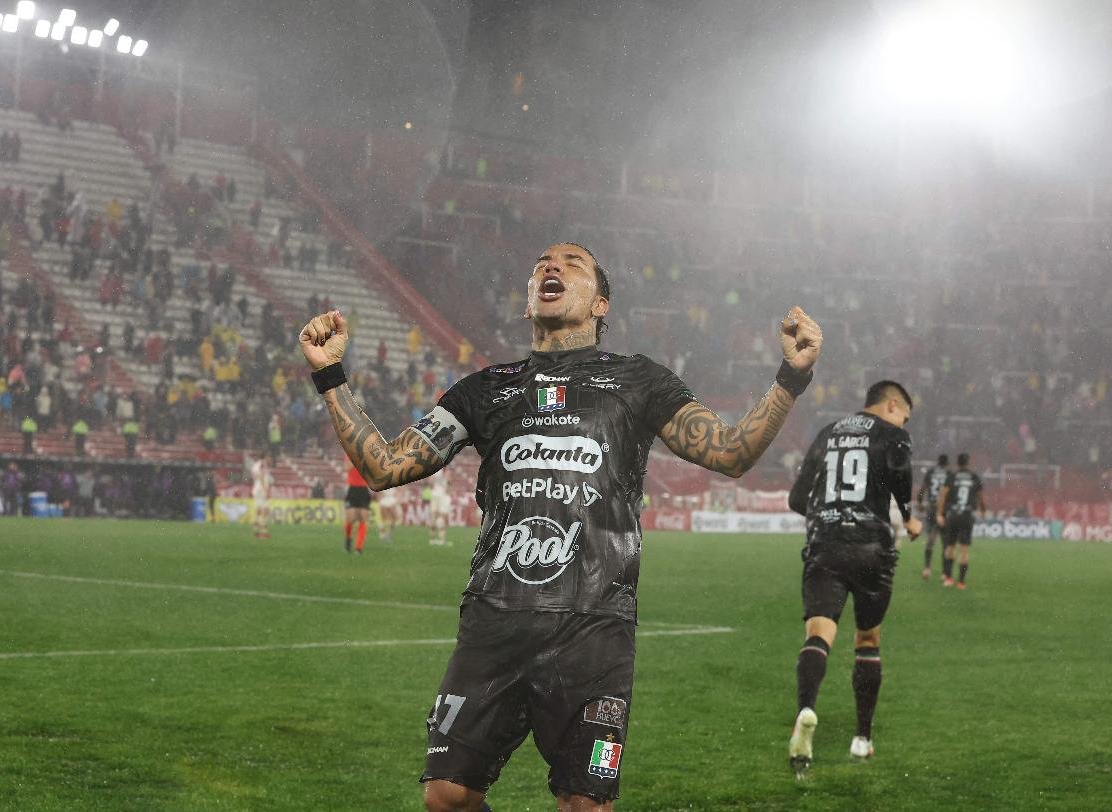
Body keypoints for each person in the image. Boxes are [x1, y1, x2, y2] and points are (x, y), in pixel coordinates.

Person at [299, 242, 822, 811]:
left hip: (594, 629)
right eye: (542, 264)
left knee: (586, 806)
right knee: (446, 797)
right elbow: (383, 467)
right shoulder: (484, 389)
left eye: (572, 264)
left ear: (600, 304)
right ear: (527, 303)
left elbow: (729, 452)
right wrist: (330, 375)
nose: (552, 267)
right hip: (495, 621)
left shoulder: (638, 380)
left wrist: (790, 378)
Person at [785, 380, 921, 775]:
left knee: (819, 633)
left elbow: (797, 499)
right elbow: (900, 476)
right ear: (893, 405)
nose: (905, 422)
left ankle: (806, 710)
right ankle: (862, 738)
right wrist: (909, 516)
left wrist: (827, 517)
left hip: (826, 544)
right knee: (867, 640)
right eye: (905, 416)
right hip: (872, 549)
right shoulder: (894, 435)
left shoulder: (828, 432)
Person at [936, 452, 986, 590]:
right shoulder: (974, 477)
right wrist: (983, 511)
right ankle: (961, 582)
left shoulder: (951, 476)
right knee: (964, 550)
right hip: (967, 515)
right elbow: (980, 497)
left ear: (957, 463)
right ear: (968, 462)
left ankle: (948, 578)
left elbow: (943, 495)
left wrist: (940, 514)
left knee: (949, 547)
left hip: (952, 515)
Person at [915, 453, 950, 580]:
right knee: (946, 542)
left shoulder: (931, 472)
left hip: (931, 508)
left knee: (930, 539)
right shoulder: (949, 473)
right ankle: (945, 573)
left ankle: (927, 569)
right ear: (947, 463)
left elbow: (922, 489)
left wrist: (919, 502)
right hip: (945, 510)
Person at [344, 458, 371, 554]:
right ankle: (348, 539)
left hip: (364, 489)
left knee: (363, 518)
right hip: (352, 488)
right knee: (350, 518)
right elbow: (347, 468)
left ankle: (358, 548)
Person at [250, 453, 273, 540]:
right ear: (265, 456)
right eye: (269, 457)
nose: (270, 459)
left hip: (256, 489)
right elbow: (261, 476)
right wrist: (266, 490)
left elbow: (255, 477)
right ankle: (264, 532)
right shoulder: (263, 464)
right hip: (261, 490)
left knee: (258, 510)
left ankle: (256, 531)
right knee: (265, 511)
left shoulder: (255, 465)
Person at [426, 472, 452, 546]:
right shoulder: (446, 472)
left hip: (434, 494)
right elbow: (449, 484)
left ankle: (432, 540)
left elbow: (430, 482)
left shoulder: (435, 470)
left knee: (434, 517)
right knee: (442, 517)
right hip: (442, 495)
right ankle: (441, 540)